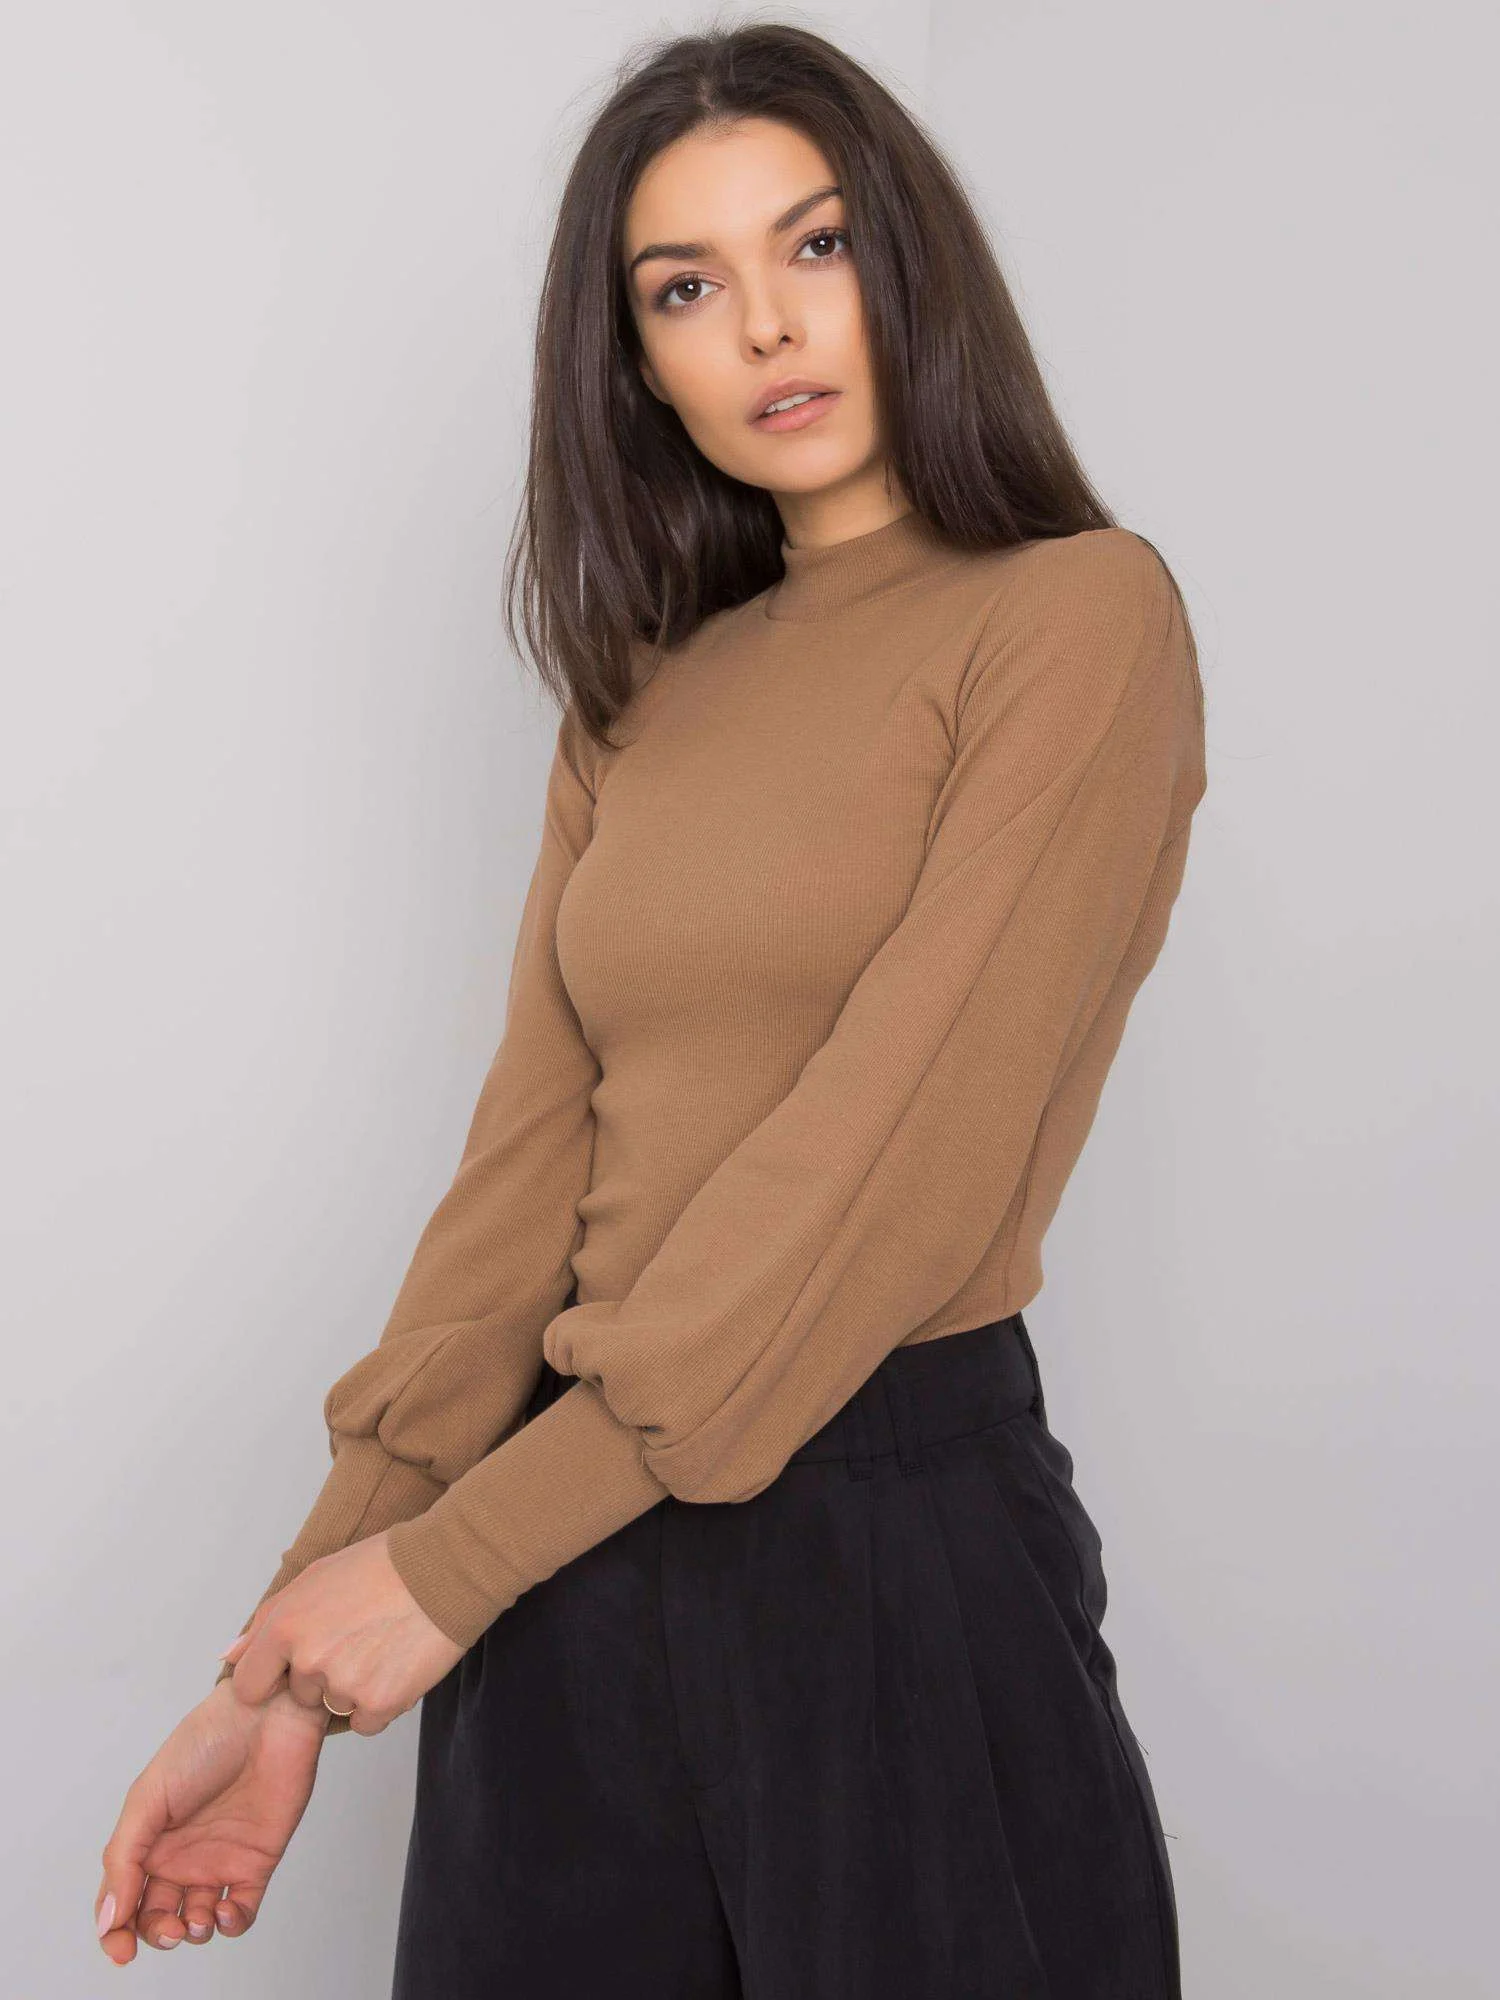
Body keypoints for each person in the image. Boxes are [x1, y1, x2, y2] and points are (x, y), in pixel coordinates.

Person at [95, 22, 1208, 1996]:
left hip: (883, 1556)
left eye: (817, 245)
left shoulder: (1076, 616)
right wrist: (286, 1662)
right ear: (634, 363)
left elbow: (888, 1167)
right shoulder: (643, 694)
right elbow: (519, 1199)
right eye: (686, 289)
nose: (767, 325)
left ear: (912, 264)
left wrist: (452, 1564)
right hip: (559, 1580)